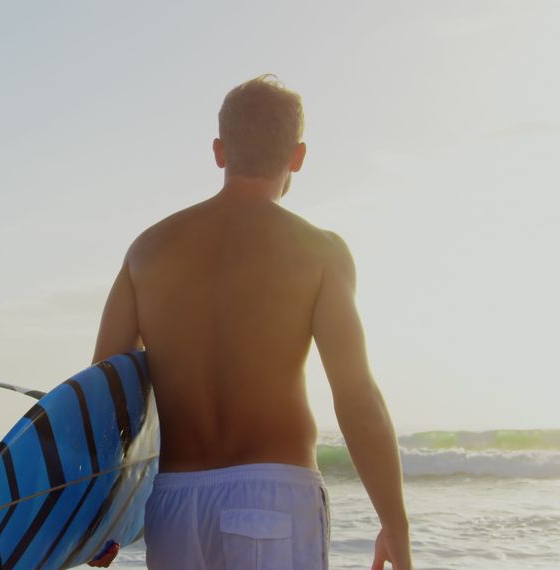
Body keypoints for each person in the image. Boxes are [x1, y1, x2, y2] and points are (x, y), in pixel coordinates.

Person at [92, 75, 412, 570]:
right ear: (298, 156)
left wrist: (98, 523)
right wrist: (395, 524)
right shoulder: (318, 252)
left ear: (220, 151)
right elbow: (356, 399)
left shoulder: (147, 251)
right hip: (275, 500)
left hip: (174, 507)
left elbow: (105, 400)